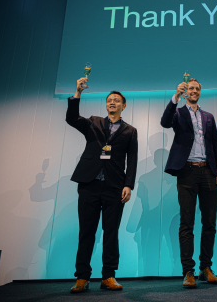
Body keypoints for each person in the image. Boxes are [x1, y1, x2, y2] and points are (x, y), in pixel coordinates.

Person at [66, 77, 138, 293]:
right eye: (109, 100)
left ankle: (108, 275)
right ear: (106, 104)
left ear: (123, 105)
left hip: (114, 187)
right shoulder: (93, 122)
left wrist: (129, 185)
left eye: (116, 100)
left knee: (111, 232)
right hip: (89, 184)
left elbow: (132, 159)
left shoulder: (130, 131)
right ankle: (82, 277)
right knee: (86, 231)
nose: (112, 102)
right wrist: (77, 93)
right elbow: (71, 118)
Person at [160, 78, 217, 288]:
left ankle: (206, 268)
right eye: (190, 88)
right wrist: (175, 98)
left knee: (210, 222)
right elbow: (165, 122)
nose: (194, 91)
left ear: (200, 92)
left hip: (208, 171)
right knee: (187, 223)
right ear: (185, 92)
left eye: (197, 88)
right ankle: (188, 271)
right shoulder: (178, 112)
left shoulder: (208, 117)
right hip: (186, 171)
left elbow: (215, 145)